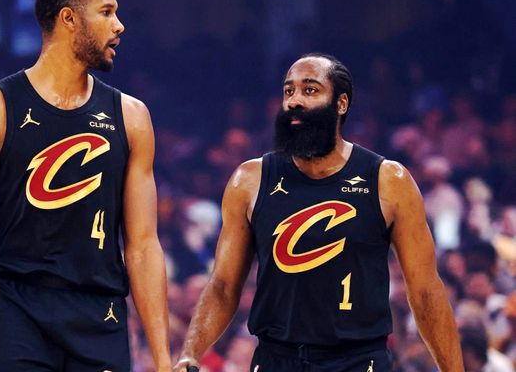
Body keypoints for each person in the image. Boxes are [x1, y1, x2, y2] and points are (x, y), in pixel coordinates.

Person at [0, 0, 171, 371]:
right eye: (106, 12)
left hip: (101, 313)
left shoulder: (131, 117)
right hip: (18, 311)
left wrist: (162, 358)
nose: (119, 25)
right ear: (68, 18)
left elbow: (143, 246)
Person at [174, 53, 463, 371]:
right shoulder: (250, 180)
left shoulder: (388, 180)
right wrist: (191, 352)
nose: (294, 101)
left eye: (310, 90)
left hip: (358, 359)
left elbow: (425, 292)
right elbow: (223, 286)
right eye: (289, 91)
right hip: (277, 358)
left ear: (341, 103)